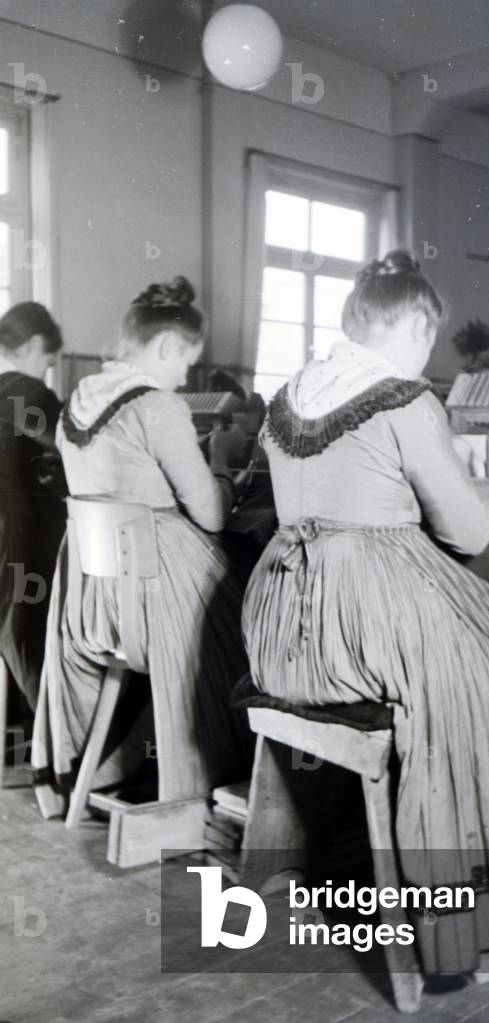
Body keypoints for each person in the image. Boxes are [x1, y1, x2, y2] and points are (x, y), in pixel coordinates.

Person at [242, 251, 489, 979]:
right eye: (427, 336)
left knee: (468, 654)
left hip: (282, 632)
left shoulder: (291, 393)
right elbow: (471, 535)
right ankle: (458, 927)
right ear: (414, 326)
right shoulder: (403, 398)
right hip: (363, 625)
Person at [32, 276, 254, 803]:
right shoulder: (157, 405)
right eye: (185, 363)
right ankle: (233, 780)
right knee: (258, 602)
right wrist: (221, 462)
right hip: (157, 606)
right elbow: (212, 515)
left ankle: (102, 766)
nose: (183, 377)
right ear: (167, 346)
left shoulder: (75, 404)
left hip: (95, 606)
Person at [0, 302, 66, 709]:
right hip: (14, 530)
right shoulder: (29, 390)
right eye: (47, 360)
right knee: (29, 631)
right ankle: (54, 745)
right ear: (36, 345)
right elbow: (73, 447)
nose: (46, 369)